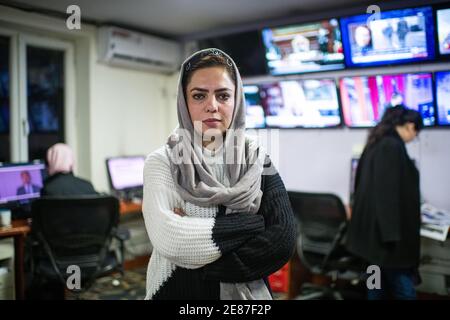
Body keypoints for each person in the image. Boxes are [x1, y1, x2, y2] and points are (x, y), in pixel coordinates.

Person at [142, 48, 296, 300]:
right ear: (184, 101)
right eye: (199, 95)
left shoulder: (256, 158)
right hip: (177, 289)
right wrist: (255, 224)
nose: (212, 106)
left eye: (223, 95)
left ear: (237, 101)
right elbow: (171, 240)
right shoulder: (162, 162)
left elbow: (283, 241)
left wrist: (199, 251)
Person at [346, 105, 423, 300]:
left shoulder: (375, 142)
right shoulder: (391, 146)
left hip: (372, 240)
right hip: (388, 241)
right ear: (410, 126)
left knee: (375, 286)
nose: (414, 138)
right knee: (403, 289)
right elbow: (386, 193)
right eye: (416, 133)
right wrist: (391, 237)